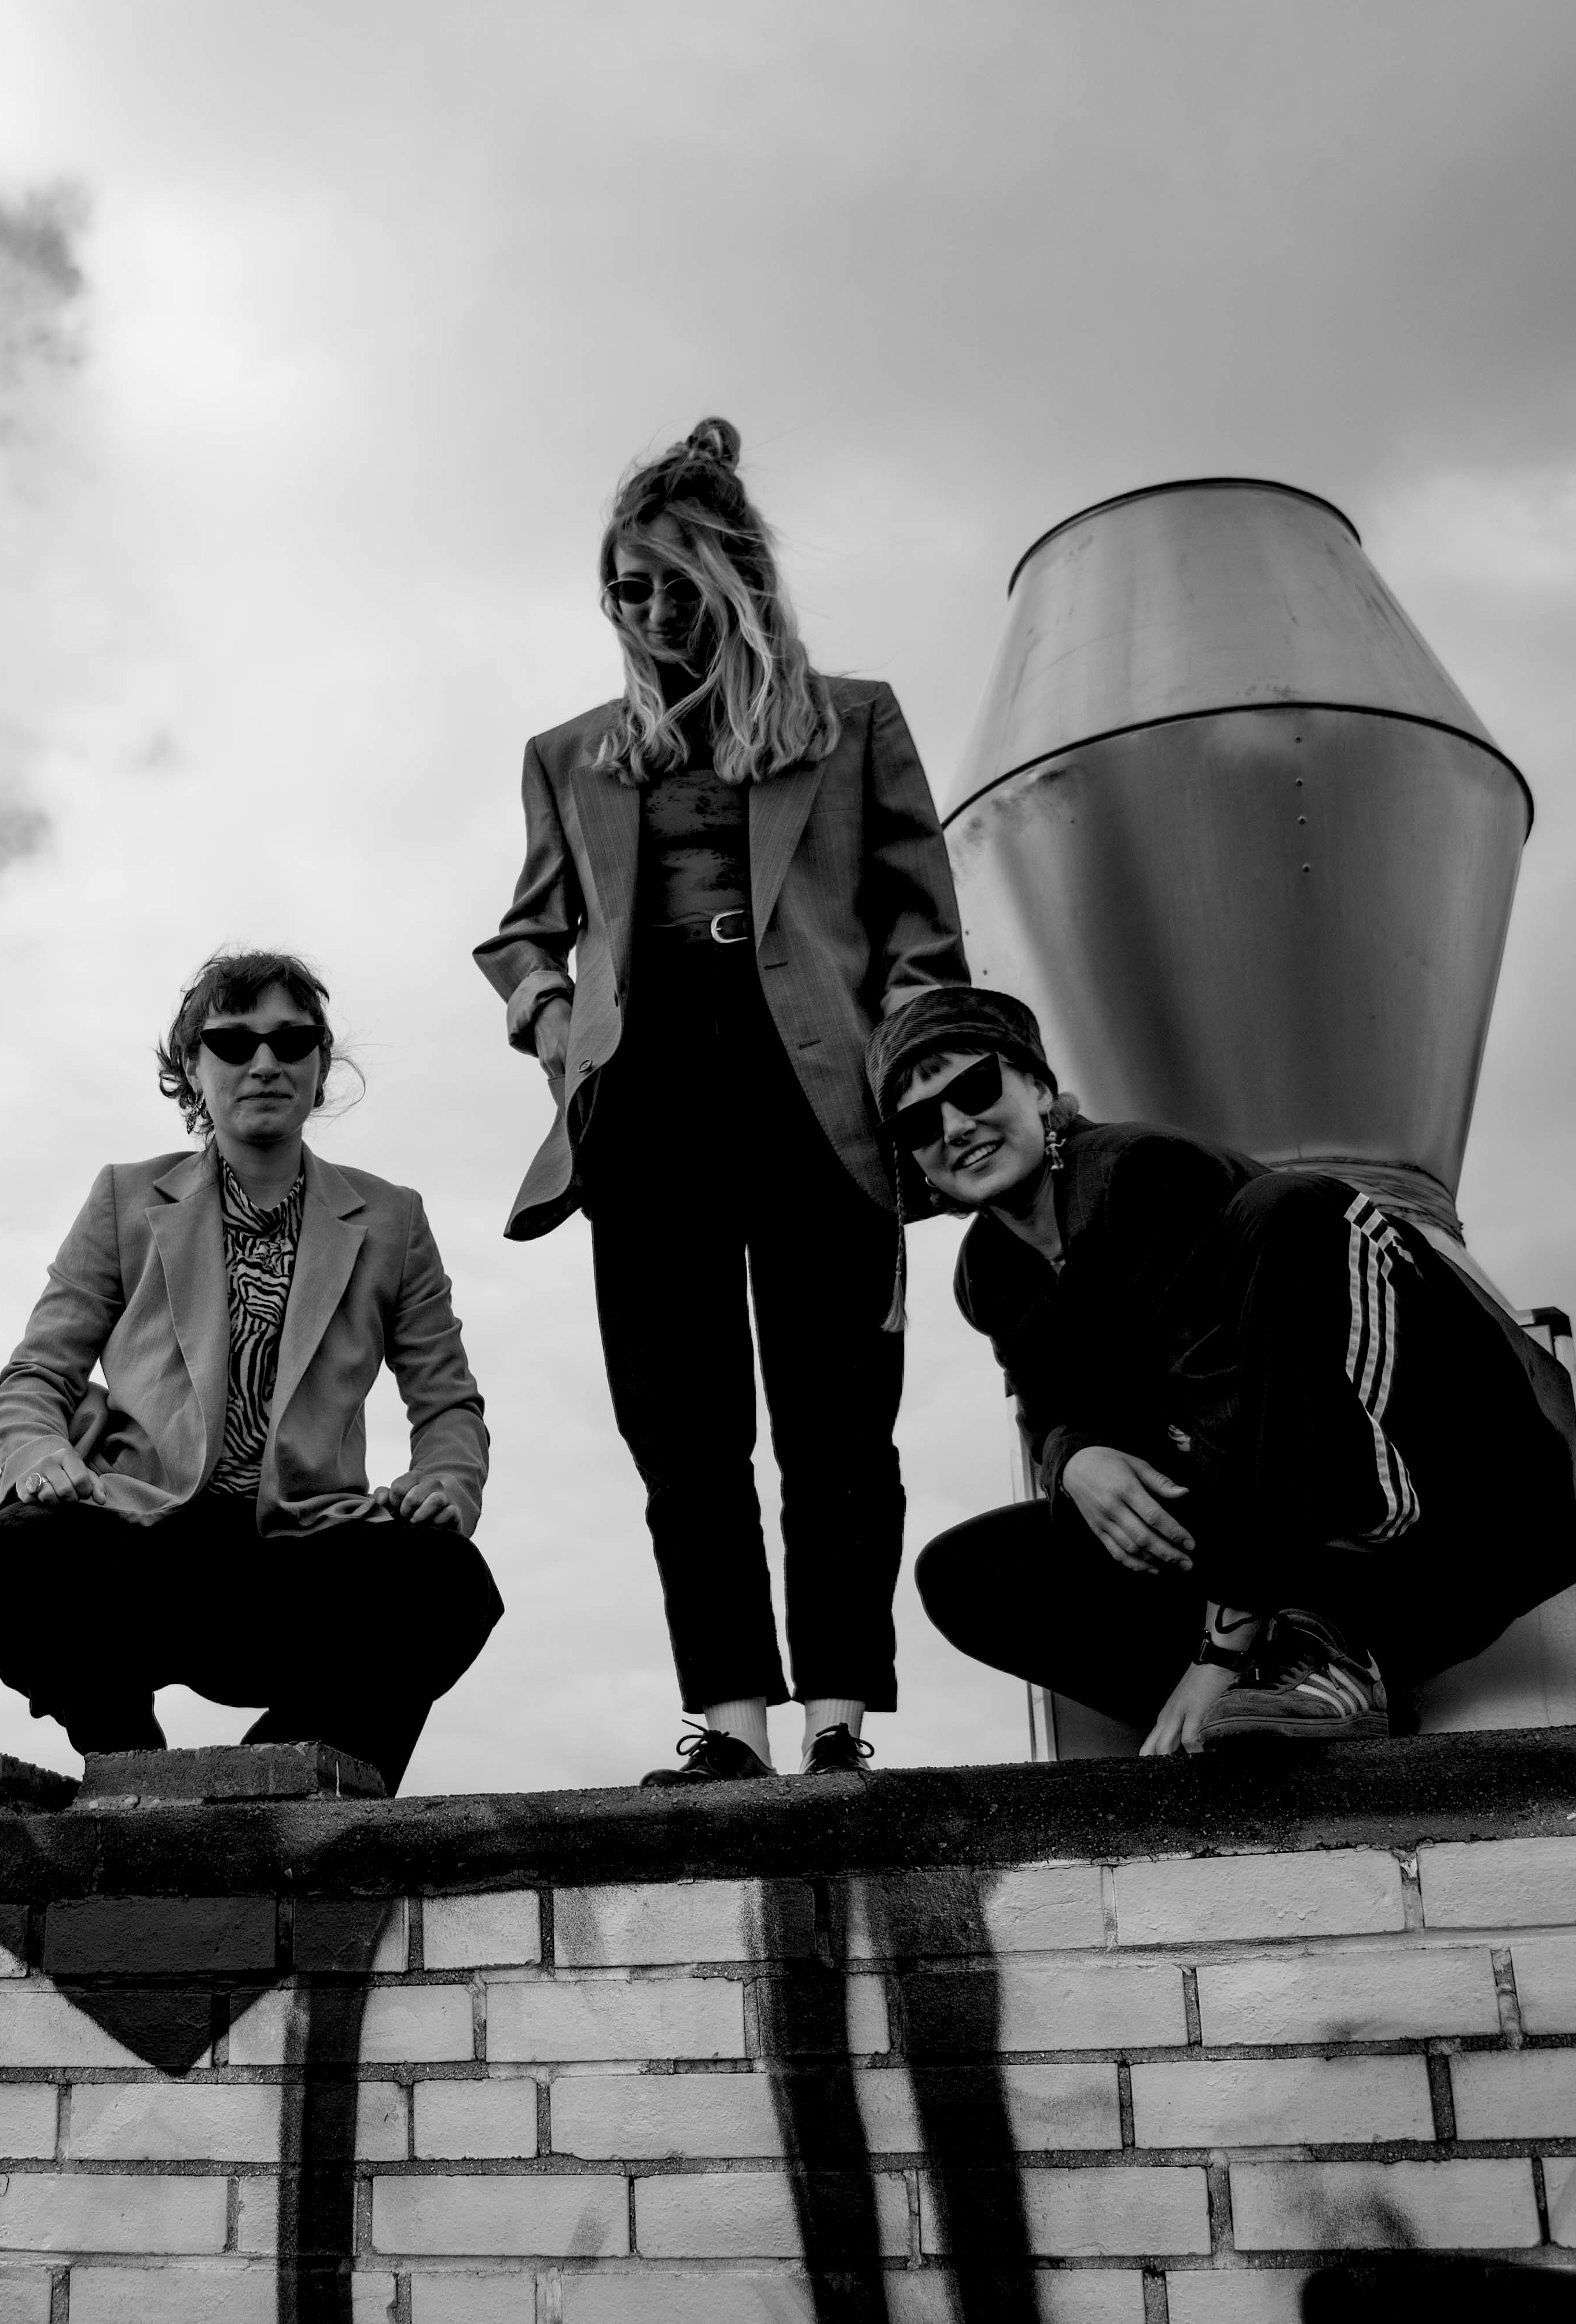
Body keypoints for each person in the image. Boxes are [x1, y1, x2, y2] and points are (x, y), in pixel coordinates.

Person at [473, 417, 967, 1786]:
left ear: (735, 578)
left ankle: (837, 1724)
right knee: (681, 1428)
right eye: (623, 590)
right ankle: (731, 1726)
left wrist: (909, 1063)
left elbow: (919, 928)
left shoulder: (851, 720)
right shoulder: (568, 753)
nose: (646, 613)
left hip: (818, 1087)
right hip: (643, 1096)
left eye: (671, 585)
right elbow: (523, 934)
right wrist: (555, 1024)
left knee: (836, 1419)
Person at [881, 987, 1576, 1751]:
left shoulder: (1144, 1173)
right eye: (919, 1123)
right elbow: (1046, 1409)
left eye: (974, 1088)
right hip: (1251, 1533)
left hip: (1441, 1527)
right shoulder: (988, 1271)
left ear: (1039, 1088)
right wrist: (1073, 1456)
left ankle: (1325, 1652)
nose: (954, 1128)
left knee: (1292, 1209)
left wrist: (1216, 1654)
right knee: (964, 1575)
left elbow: (1234, 1419)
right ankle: (1268, 1697)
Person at [0, 950, 500, 1792]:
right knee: (16, 1561)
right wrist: (38, 1456)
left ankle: (279, 1787)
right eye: (235, 1043)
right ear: (192, 1066)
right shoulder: (125, 1200)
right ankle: (134, 1778)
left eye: (292, 1041)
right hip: (147, 1542)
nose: (265, 1063)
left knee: (447, 1583)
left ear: (320, 1064)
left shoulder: (392, 1219)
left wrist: (447, 1482)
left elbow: (449, 1402)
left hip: (306, 1551)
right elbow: (37, 1374)